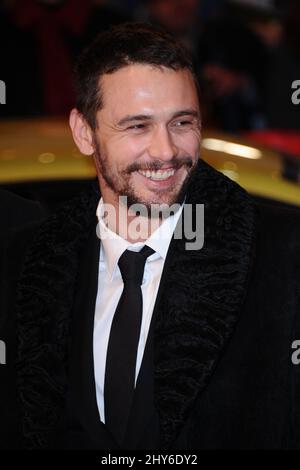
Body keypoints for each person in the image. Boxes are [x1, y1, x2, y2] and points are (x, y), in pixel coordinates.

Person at [0, 22, 300, 450]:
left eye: (182, 122)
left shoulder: (282, 257)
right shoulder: (28, 260)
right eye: (137, 127)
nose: (165, 151)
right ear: (84, 133)